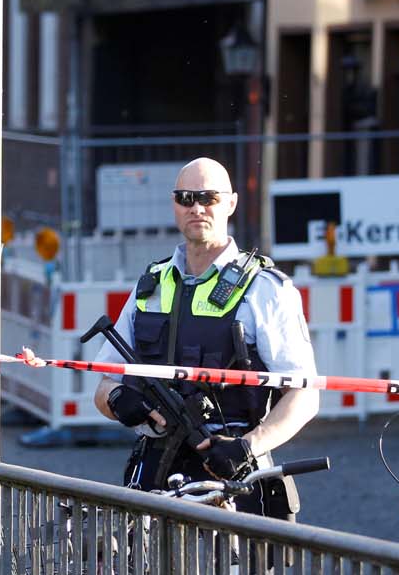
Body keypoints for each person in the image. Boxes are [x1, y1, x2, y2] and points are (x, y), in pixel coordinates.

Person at [90, 157, 321, 519]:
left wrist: (249, 446)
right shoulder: (151, 283)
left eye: (208, 197)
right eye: (185, 198)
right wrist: (119, 399)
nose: (196, 207)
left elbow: (305, 395)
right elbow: (104, 386)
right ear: (174, 205)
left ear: (230, 203)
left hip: (233, 479)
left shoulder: (266, 289)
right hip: (155, 480)